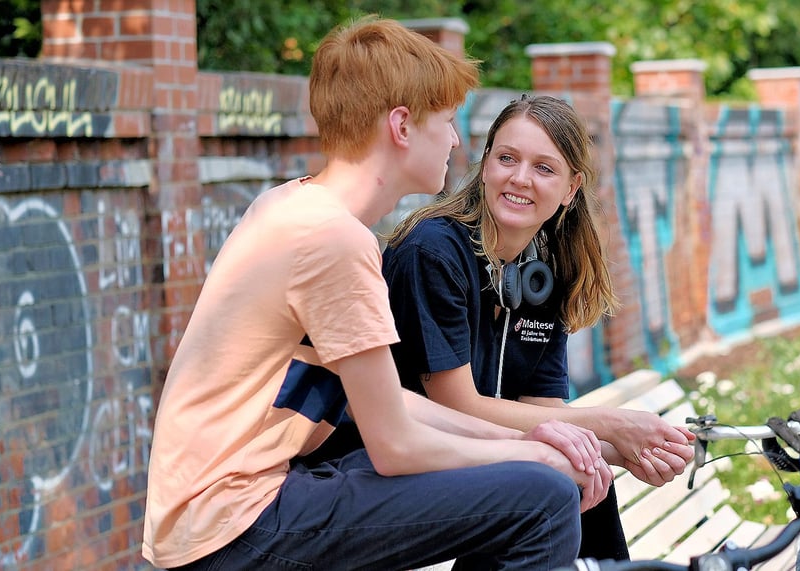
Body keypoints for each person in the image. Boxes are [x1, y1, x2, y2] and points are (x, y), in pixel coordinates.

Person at [142, 20, 613, 571]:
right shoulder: (332, 240)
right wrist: (533, 455)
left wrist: (539, 439)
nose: (457, 140)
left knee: (543, 475)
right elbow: (396, 448)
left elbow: (393, 406)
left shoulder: (294, 210)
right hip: (233, 524)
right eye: (448, 121)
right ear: (402, 127)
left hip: (235, 508)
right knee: (544, 498)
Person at [380, 94, 697, 561]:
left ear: (572, 188)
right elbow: (457, 404)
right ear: (485, 164)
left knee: (579, 469)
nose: (520, 178)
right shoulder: (432, 252)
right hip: (397, 464)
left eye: (544, 168)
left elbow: (543, 411)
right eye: (507, 158)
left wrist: (627, 448)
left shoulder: (541, 273)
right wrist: (609, 424)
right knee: (548, 480)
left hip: (474, 458)